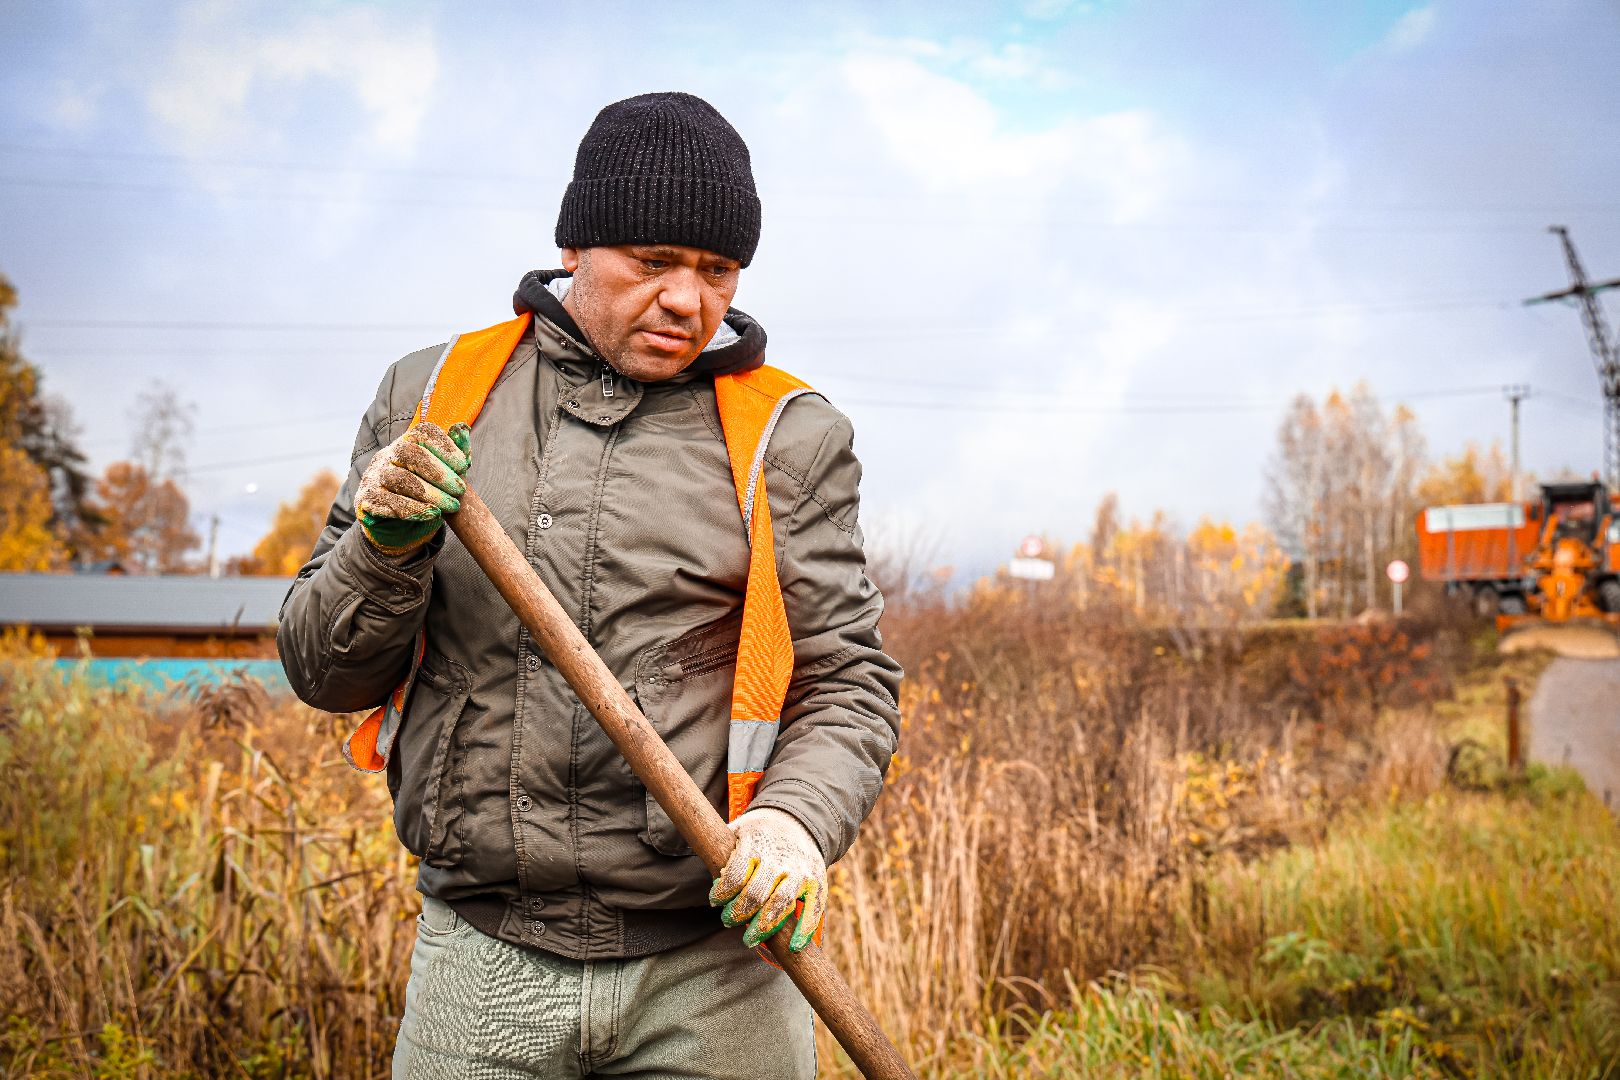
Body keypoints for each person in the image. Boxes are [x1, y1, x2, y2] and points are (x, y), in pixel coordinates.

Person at [277, 91, 903, 1080]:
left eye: (717, 271)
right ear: (576, 248)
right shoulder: (435, 395)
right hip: (483, 958)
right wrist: (383, 549)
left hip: (717, 970)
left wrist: (792, 828)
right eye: (652, 263)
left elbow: (846, 681)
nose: (689, 301)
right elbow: (324, 671)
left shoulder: (788, 436)